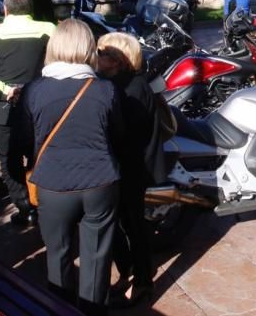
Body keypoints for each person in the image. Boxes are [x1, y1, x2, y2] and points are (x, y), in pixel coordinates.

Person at [14, 20, 123, 315]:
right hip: (99, 181)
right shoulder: (105, 90)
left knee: (57, 253)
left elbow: (23, 140)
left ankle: (58, 309)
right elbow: (119, 136)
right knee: (97, 257)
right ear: (87, 48)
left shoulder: (34, 90)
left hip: (51, 183)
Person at [0, 0, 56, 227]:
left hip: (4, 107)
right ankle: (44, 202)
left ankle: (25, 208)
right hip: (40, 103)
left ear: (5, 10)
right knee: (39, 155)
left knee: (8, 158)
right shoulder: (49, 29)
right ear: (30, 9)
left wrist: (3, 90)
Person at [96, 33, 162, 307]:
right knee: (117, 224)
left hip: (131, 168)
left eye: (102, 52)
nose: (96, 56)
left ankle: (143, 282)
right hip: (115, 166)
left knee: (135, 226)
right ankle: (127, 271)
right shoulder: (108, 83)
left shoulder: (133, 87)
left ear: (118, 59)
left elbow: (131, 135)